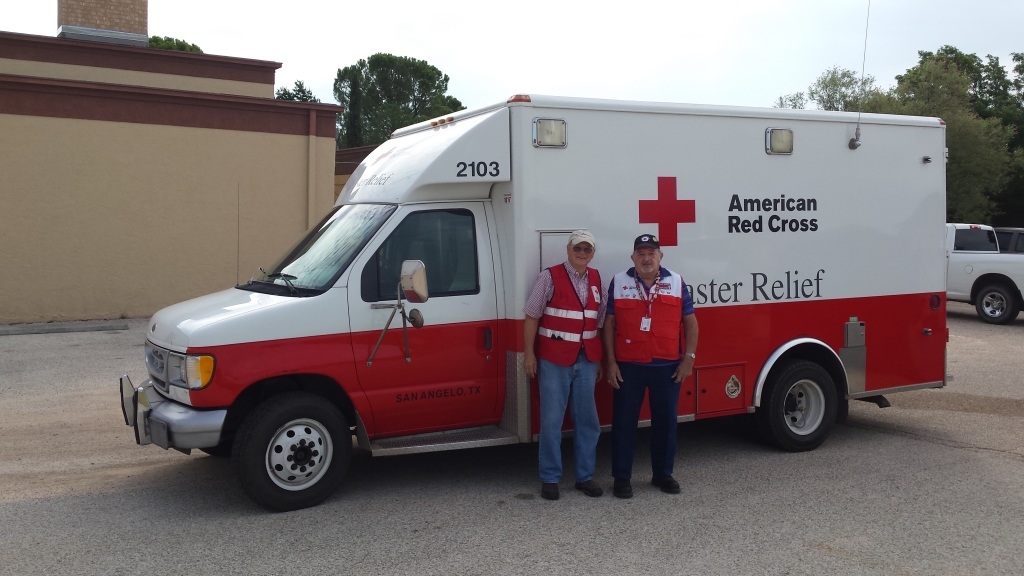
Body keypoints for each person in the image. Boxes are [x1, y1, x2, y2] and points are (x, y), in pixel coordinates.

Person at [603, 234, 699, 498]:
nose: (646, 258)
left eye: (652, 253)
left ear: (660, 256)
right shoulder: (619, 282)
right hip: (629, 366)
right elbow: (609, 324)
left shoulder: (676, 281)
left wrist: (688, 359)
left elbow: (690, 322)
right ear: (633, 257)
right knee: (624, 424)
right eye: (641, 253)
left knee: (666, 423)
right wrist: (610, 362)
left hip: (667, 366)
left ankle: (663, 474)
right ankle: (622, 478)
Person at [524, 230, 608, 500]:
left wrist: (599, 360)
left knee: (588, 421)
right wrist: (529, 354)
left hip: (586, 361)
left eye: (587, 249)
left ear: (593, 253)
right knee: (551, 421)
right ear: (568, 249)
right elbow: (532, 316)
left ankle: (585, 477)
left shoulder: (596, 279)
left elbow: (600, 322)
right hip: (554, 360)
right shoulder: (549, 277)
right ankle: (550, 478)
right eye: (577, 248)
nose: (582, 252)